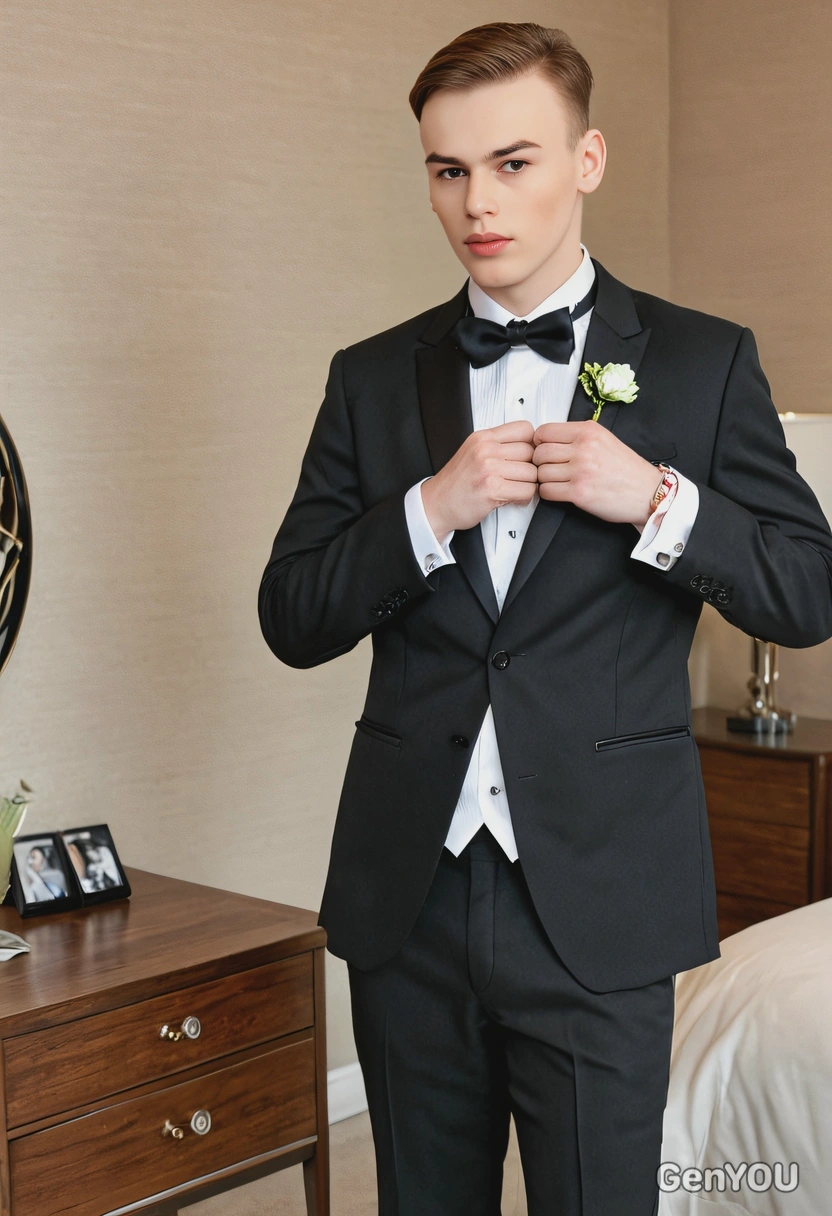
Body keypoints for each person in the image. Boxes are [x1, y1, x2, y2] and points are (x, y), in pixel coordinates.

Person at [258, 21, 832, 1216]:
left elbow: (805, 587)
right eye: (446, 169)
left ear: (588, 160)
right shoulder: (369, 377)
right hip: (406, 896)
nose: (477, 201)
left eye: (512, 162)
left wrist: (658, 501)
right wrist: (428, 508)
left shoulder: (702, 362)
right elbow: (292, 613)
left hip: (603, 897)